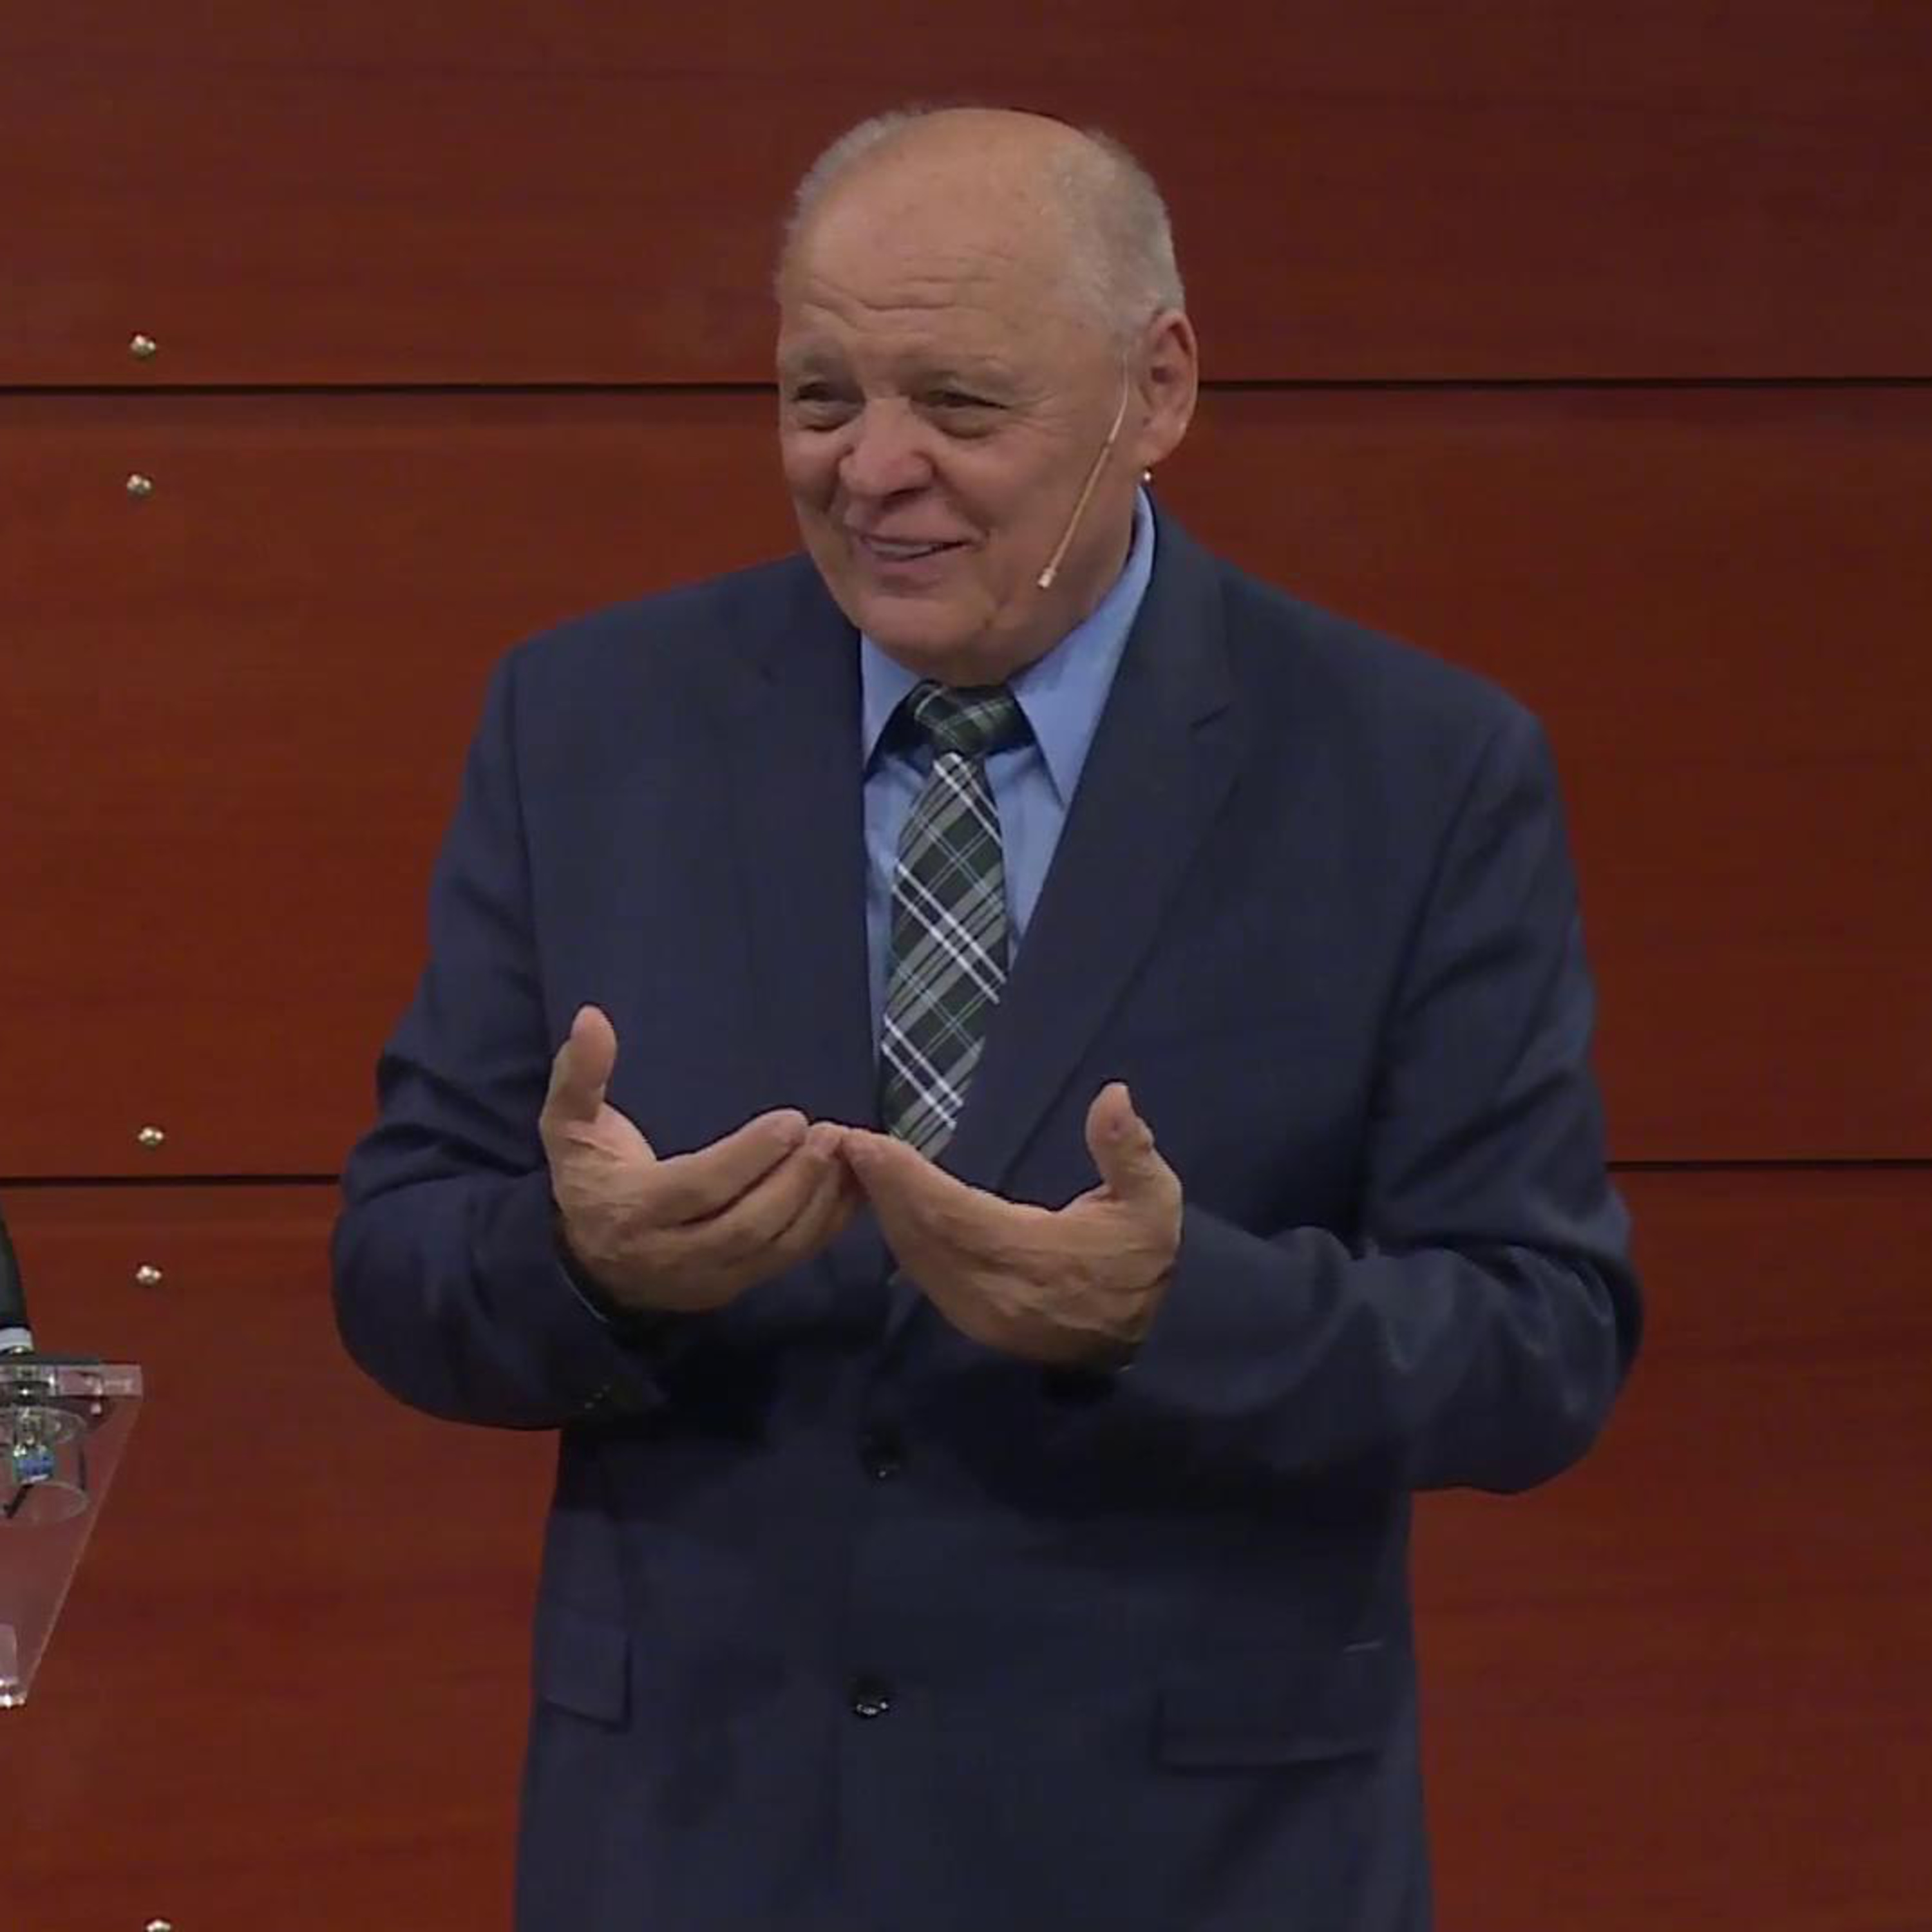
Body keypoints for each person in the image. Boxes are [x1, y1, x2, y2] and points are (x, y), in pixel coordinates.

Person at [332, 105, 1640, 1932]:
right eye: (820, 398)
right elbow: (397, 1262)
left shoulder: (1415, 771)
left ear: (1155, 389)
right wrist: (588, 1266)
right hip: (700, 1845)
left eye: (957, 403)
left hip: (1197, 1863)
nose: (874, 469)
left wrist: (1175, 1310)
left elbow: (1541, 1337)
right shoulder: (588, 725)